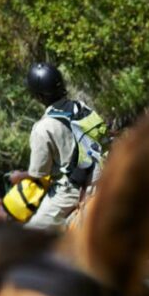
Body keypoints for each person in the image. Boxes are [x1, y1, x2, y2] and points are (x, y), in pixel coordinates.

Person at [9, 63, 105, 230]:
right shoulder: (81, 106)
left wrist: (19, 176)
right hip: (106, 169)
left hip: (78, 187)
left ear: (38, 96)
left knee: (32, 232)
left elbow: (40, 173)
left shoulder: (42, 128)